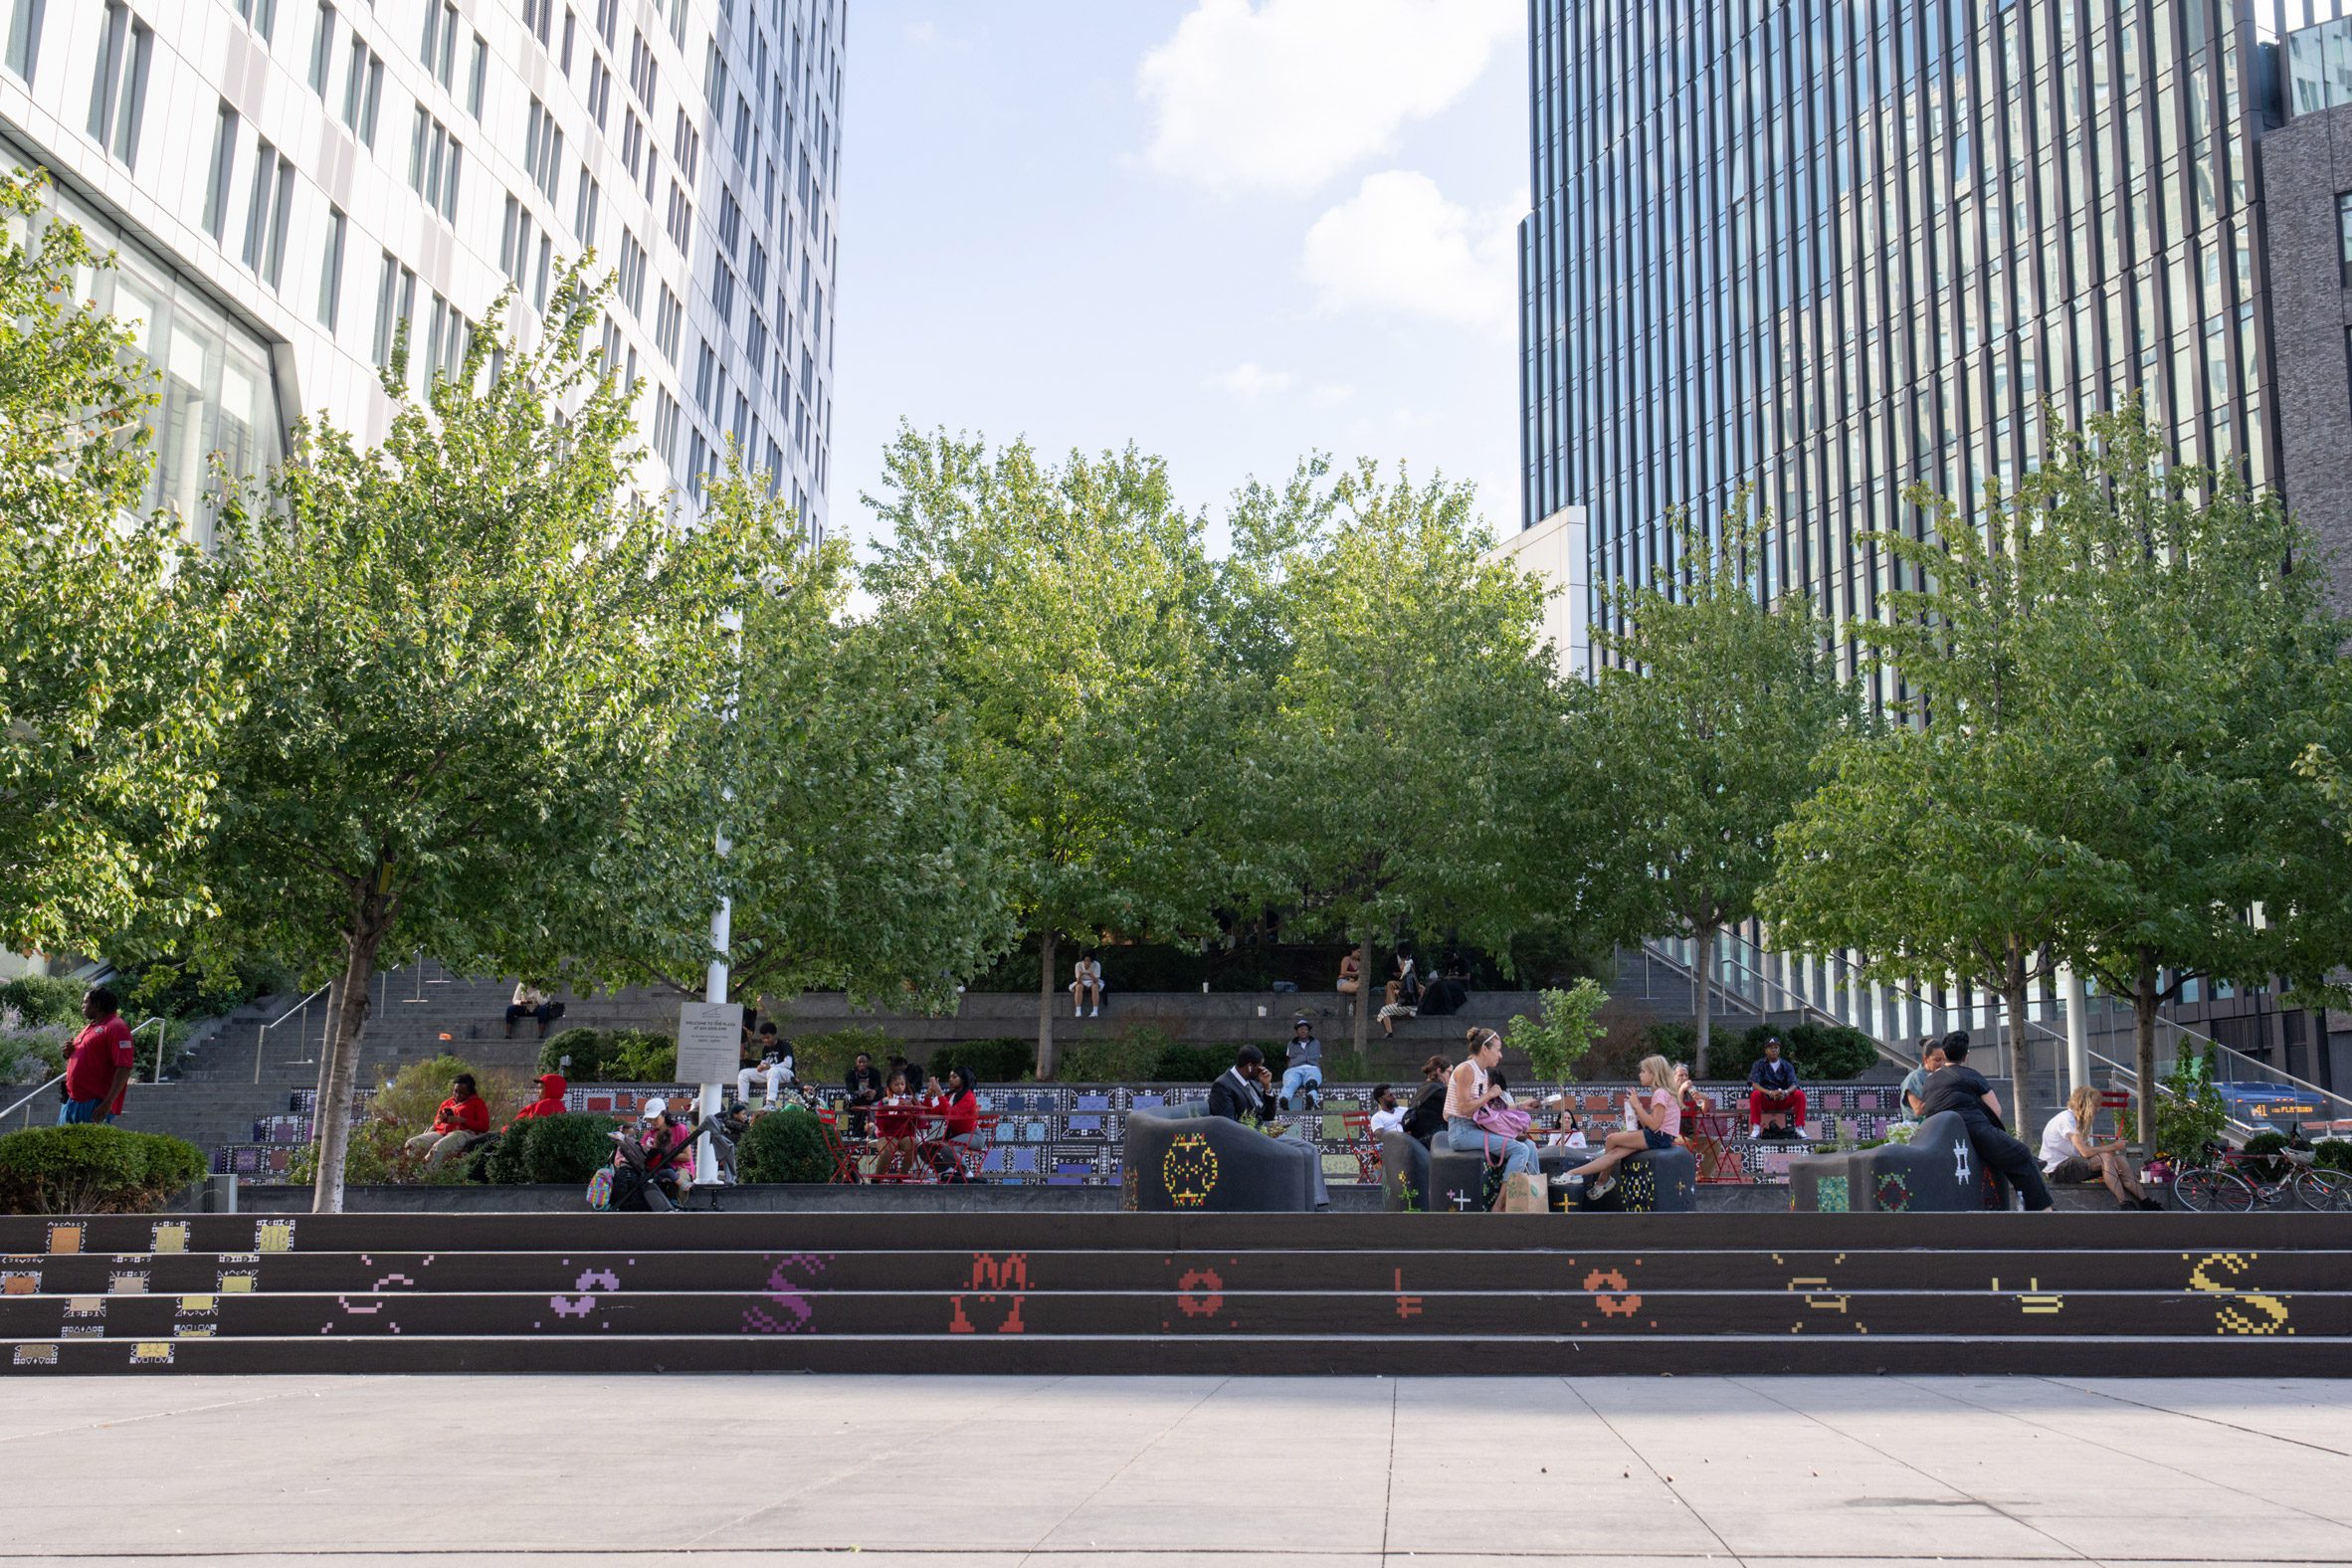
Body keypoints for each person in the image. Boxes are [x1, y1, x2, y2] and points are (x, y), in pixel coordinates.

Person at [1921, 1032, 2053, 1212]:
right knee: (2021, 1154)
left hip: (1941, 1135)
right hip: (1976, 1130)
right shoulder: (1972, 1075)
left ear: (1944, 1054)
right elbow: (1996, 1110)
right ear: (1966, 1056)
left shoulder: (1929, 1081)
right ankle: (2045, 1212)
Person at [1555, 1055, 1680, 1201]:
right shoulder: (1662, 1093)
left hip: (1659, 1138)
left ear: (1653, 1074)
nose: (1640, 1074)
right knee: (1613, 1154)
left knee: (1611, 1139)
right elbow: (1649, 1124)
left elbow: (1654, 1125)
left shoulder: (1660, 1093)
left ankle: (1602, 1180)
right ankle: (1574, 1174)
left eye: (1643, 1071)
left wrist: (1637, 1105)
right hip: (1659, 1137)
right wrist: (1635, 1109)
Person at [2042, 1085, 2161, 1210]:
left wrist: (2113, 1155)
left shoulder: (2076, 1121)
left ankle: (2146, 1202)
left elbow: (2085, 1154)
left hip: (2071, 1165)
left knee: (2119, 1159)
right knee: (2105, 1158)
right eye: (2095, 1105)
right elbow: (2086, 1152)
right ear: (2086, 1104)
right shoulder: (2067, 1119)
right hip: (2056, 1170)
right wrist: (2112, 1147)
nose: (2098, 1110)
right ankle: (2124, 1203)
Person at [1444, 1028, 1538, 1181]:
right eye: (1498, 1050)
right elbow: (1464, 1108)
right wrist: (1489, 1094)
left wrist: (1521, 1106)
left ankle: (1532, 1198)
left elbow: (1487, 1109)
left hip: (1475, 1127)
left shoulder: (1483, 1072)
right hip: (1461, 1131)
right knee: (1520, 1150)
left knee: (1530, 1146)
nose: (1500, 1055)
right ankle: (1501, 1204)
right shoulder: (1466, 1069)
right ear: (1485, 1050)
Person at [57, 987, 135, 1126]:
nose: (82, 1006)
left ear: (97, 1004)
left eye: (85, 1002)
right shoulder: (91, 1026)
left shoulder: (117, 1027)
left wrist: (107, 1103)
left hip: (93, 1104)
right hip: (71, 1100)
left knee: (83, 1146)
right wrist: (68, 1053)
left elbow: (124, 1067)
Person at [405, 1074, 491, 1168]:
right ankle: (412, 1171)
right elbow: (436, 1124)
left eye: (462, 1093)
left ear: (470, 1092)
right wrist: (440, 1120)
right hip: (441, 1133)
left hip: (463, 1134)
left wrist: (461, 1120)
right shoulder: (446, 1103)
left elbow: (484, 1126)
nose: (457, 1095)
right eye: (455, 1091)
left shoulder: (477, 1103)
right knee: (412, 1144)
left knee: (440, 1147)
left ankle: (425, 1176)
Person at [924, 1064, 986, 1180]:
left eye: (954, 1077)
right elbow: (931, 1112)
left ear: (963, 1079)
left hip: (972, 1135)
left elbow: (951, 1115)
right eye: (949, 1077)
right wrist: (928, 1096)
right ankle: (947, 1171)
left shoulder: (969, 1096)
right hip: (955, 1136)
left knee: (948, 1148)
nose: (950, 1080)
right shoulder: (950, 1096)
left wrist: (940, 1094)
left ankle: (967, 1175)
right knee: (924, 1147)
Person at [1746, 1035, 1807, 1138]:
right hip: (1767, 1100)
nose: (1773, 1050)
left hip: (1783, 1099)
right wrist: (1770, 1093)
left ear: (1779, 1050)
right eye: (1770, 1047)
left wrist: (1785, 1092)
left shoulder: (1787, 1065)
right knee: (1755, 1094)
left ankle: (1799, 1129)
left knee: (1799, 1094)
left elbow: (1794, 1084)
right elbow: (1754, 1084)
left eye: (1776, 1047)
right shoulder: (1759, 1064)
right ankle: (1756, 1129)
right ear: (1765, 1050)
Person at [1208, 1045, 1274, 1122]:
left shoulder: (1252, 1082)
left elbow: (1268, 1116)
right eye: (1260, 1066)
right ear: (1250, 1066)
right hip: (1246, 1133)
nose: (1262, 1069)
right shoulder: (1222, 1086)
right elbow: (1227, 1124)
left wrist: (1267, 1087)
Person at [873, 1070, 919, 1177]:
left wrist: (913, 1111)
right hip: (886, 1135)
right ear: (890, 1085)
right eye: (896, 1084)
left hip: (906, 1136)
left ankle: (902, 1175)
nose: (900, 1087)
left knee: (914, 1143)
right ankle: (878, 1178)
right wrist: (893, 1108)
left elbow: (920, 1124)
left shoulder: (912, 1101)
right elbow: (880, 1125)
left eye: (902, 1084)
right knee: (888, 1148)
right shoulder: (884, 1102)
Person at [737, 1023, 794, 1106]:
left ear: (774, 1035)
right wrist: (761, 1067)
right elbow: (764, 1063)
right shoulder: (765, 1048)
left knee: (773, 1071)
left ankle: (770, 1103)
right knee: (743, 1073)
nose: (765, 1040)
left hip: (787, 1074)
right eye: (763, 1038)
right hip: (770, 1074)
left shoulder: (784, 1045)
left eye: (768, 1037)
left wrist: (770, 1066)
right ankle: (743, 1103)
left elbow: (788, 1064)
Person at [1278, 1018, 1324, 1112]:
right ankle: (1284, 1099)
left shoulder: (1316, 1043)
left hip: (1312, 1067)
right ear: (1297, 1031)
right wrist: (1288, 1071)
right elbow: (1288, 1059)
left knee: (1312, 1081)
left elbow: (1319, 1059)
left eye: (1305, 1029)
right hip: (1295, 1068)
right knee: (1291, 1082)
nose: (1303, 1031)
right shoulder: (1291, 1044)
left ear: (1308, 1031)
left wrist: (1319, 1070)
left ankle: (1310, 1098)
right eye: (1300, 1029)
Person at [1899, 1039, 1947, 1120]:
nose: (1942, 1064)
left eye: (1944, 1060)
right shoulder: (1915, 1078)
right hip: (1919, 1129)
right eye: (1937, 1060)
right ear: (1925, 1059)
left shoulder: (1944, 1076)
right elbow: (1919, 1110)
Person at [843, 1052, 882, 1136]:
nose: (862, 1064)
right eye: (859, 1062)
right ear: (856, 1063)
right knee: (861, 1109)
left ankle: (874, 1133)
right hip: (857, 1100)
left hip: (872, 1099)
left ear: (868, 1063)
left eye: (864, 1062)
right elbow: (850, 1089)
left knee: (875, 1106)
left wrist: (873, 1092)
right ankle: (858, 1134)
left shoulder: (875, 1072)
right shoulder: (851, 1074)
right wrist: (860, 1093)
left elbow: (878, 1087)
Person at [1071, 952, 1105, 1017]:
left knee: (1095, 986)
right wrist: (1081, 975)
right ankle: (1078, 1011)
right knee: (1078, 987)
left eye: (1089, 961)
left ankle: (1095, 1011)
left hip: (1093, 981)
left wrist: (1091, 975)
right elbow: (1078, 981)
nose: (1087, 962)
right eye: (1085, 960)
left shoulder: (1096, 964)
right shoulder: (1078, 965)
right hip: (1082, 981)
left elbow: (1096, 981)